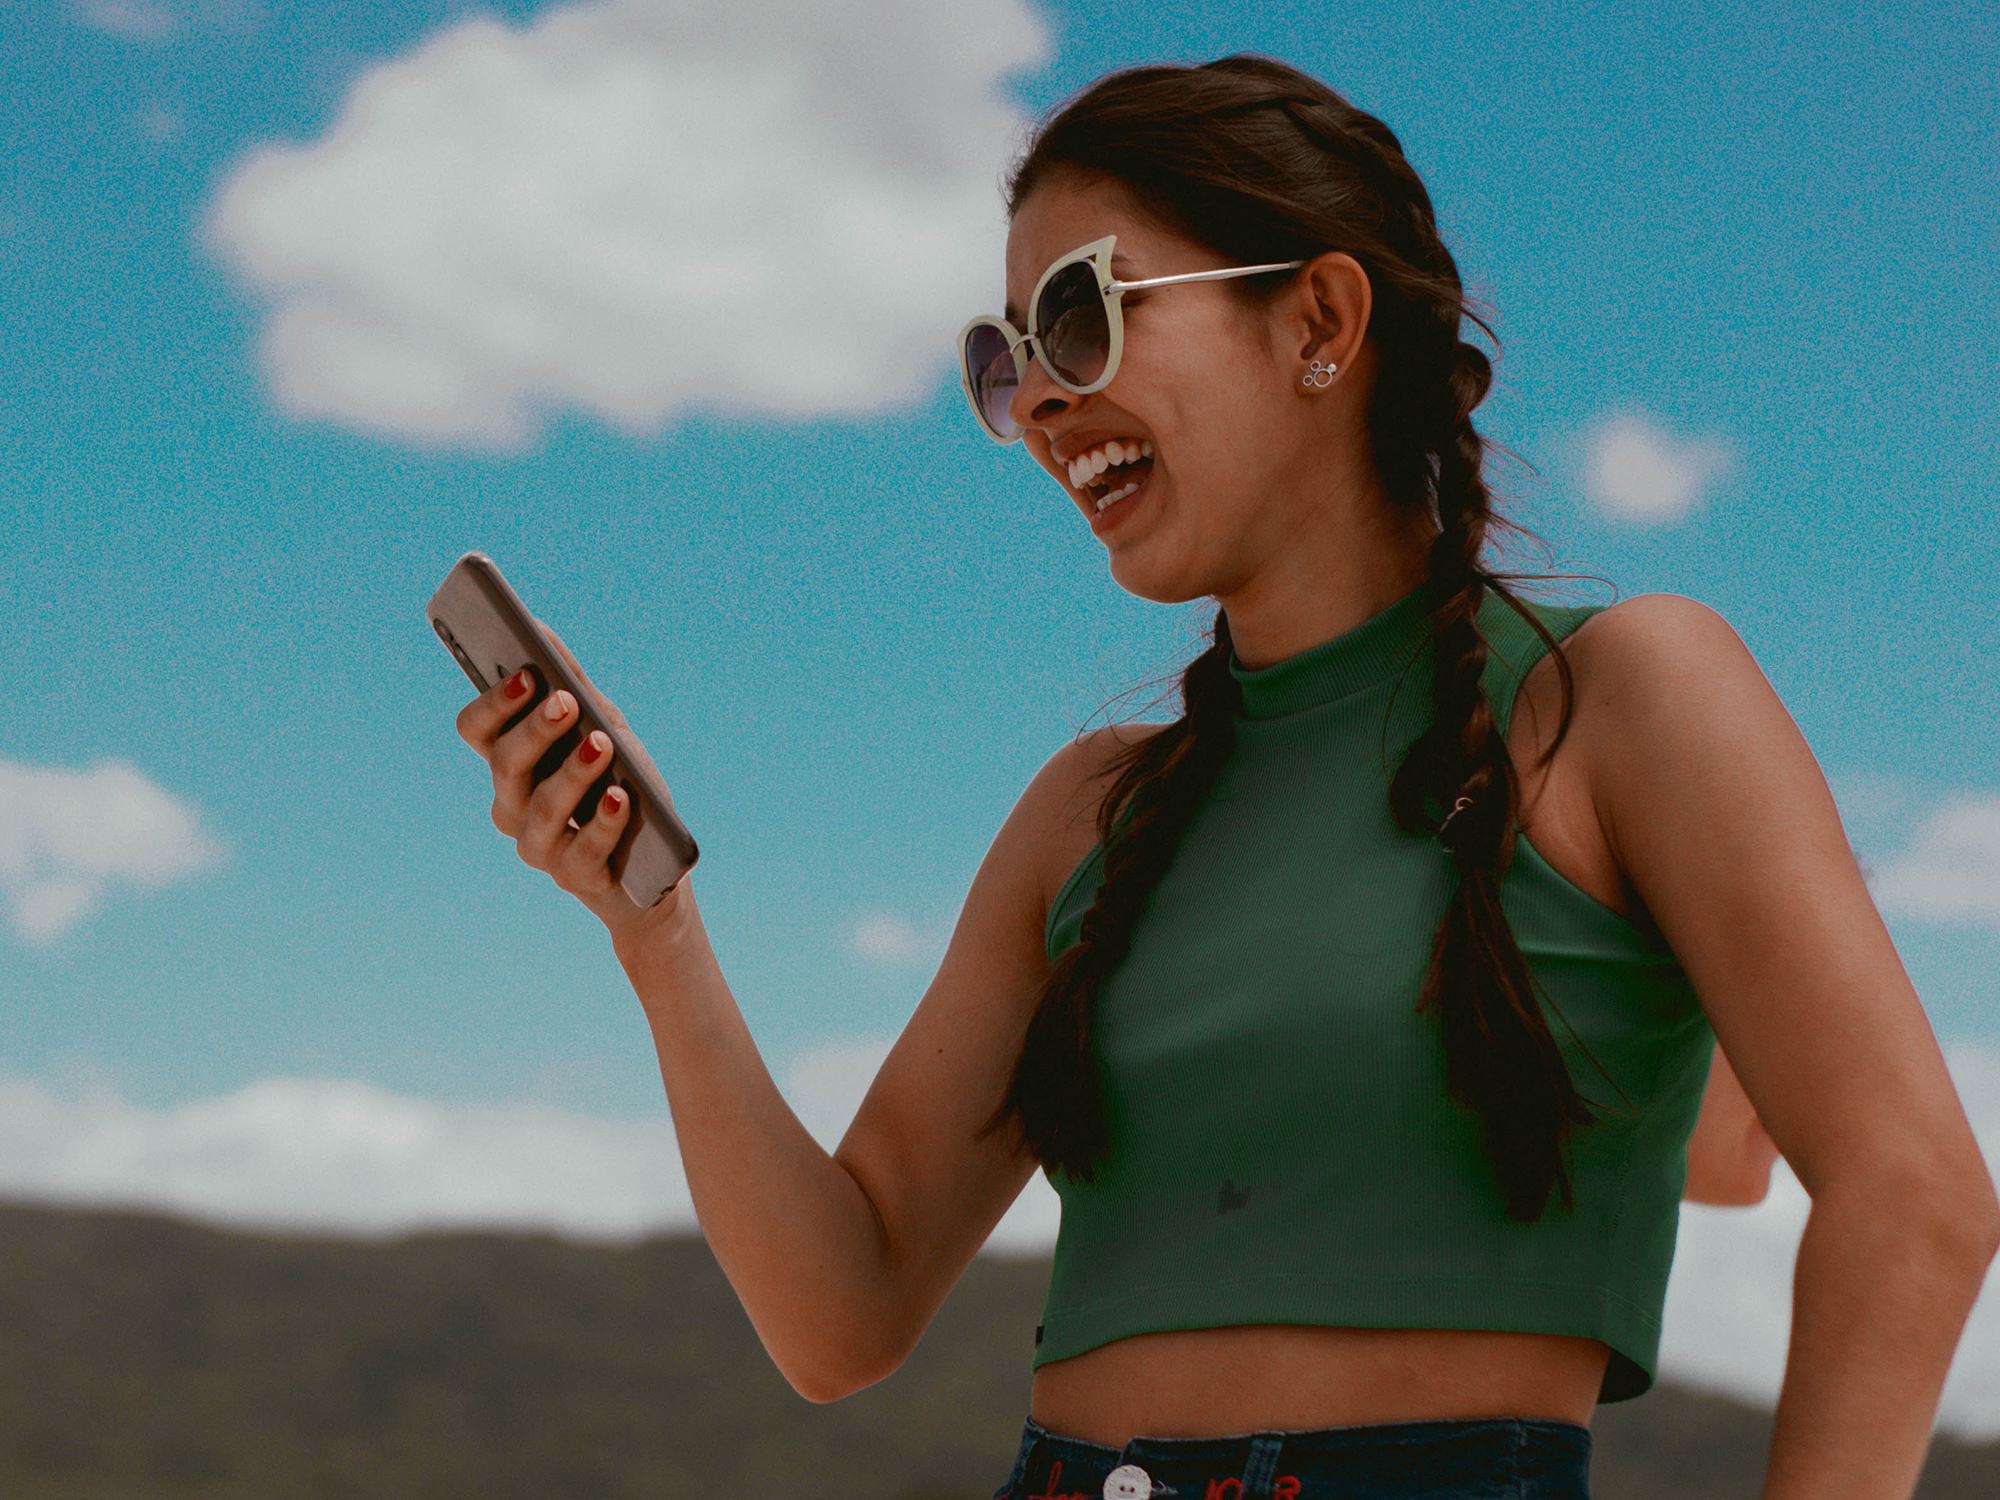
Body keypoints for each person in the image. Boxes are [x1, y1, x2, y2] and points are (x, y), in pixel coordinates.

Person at [454, 55, 1997, 1500]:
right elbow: (840, 1313)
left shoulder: (1627, 697)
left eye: (1080, 318)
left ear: (1321, 320)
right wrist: (652, 927)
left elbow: (1915, 1198)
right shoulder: (1089, 816)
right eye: (1006, 363)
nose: (1042, 403)